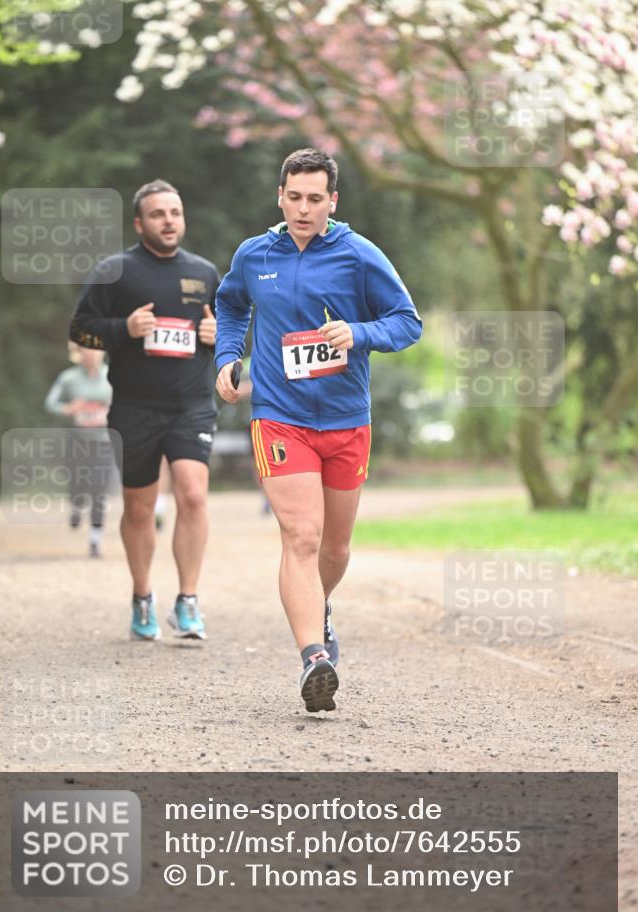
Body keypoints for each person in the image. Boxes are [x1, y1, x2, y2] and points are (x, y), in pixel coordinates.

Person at [215, 148, 422, 712]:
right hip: (280, 416)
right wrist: (227, 359)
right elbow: (231, 305)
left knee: (334, 546)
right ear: (280, 196)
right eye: (294, 197)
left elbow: (408, 322)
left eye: (315, 199)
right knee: (301, 537)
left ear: (333, 201)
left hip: (347, 420)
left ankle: (317, 609)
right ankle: (314, 658)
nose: (304, 209)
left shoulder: (358, 255)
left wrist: (357, 332)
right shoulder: (254, 255)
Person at [69, 179, 220, 642]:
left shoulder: (206, 272)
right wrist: (125, 328)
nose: (168, 220)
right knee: (140, 507)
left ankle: (189, 601)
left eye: (174, 212)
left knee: (193, 494)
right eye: (158, 214)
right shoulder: (115, 270)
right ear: (139, 223)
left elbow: (232, 328)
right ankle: (142, 596)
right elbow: (82, 331)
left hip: (191, 404)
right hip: (134, 406)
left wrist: (221, 337)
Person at [44, 343, 114, 557]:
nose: (90, 355)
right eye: (85, 351)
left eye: (94, 351)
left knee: (99, 489)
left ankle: (95, 540)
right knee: (77, 483)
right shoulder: (68, 378)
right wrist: (68, 408)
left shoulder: (113, 375)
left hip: (105, 440)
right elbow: (50, 403)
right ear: (78, 354)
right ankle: (77, 504)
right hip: (77, 440)